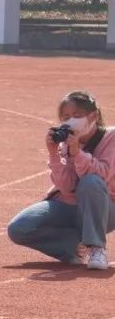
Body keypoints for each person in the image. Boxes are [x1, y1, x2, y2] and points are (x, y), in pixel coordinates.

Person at [8, 91, 114, 270]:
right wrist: (53, 153)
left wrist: (77, 153)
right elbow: (66, 187)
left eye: (76, 115)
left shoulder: (111, 137)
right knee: (18, 228)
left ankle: (97, 248)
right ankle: (72, 247)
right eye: (66, 117)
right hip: (69, 205)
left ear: (93, 116)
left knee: (91, 182)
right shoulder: (66, 141)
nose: (71, 121)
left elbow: (103, 176)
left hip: (104, 208)